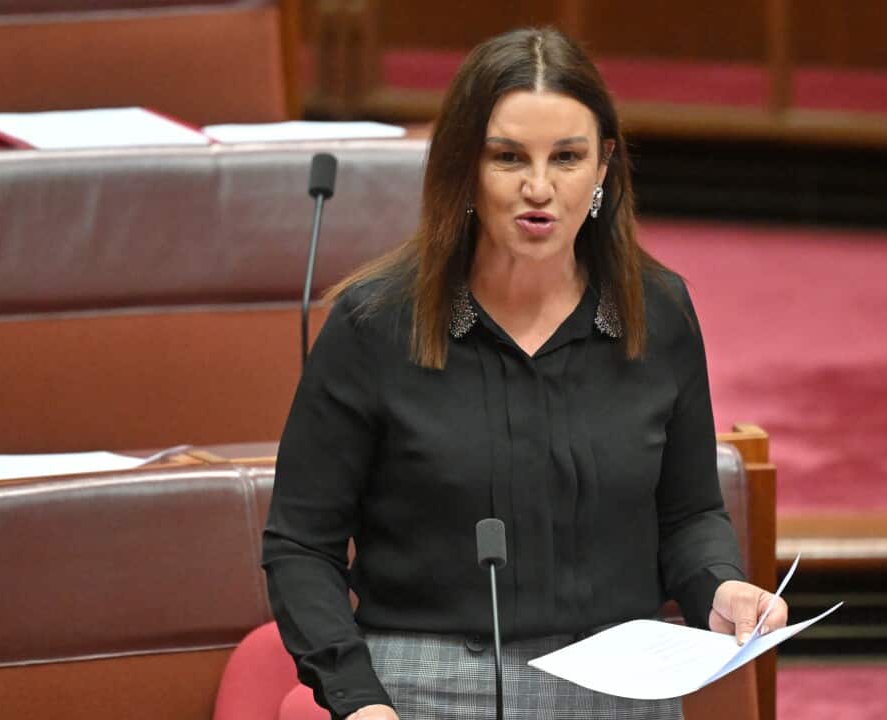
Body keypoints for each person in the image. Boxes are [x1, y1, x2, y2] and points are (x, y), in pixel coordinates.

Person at [261, 26, 788, 720]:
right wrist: (359, 702)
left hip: (620, 685)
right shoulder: (374, 324)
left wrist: (720, 588)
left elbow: (688, 515)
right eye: (508, 157)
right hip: (418, 689)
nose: (538, 187)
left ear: (604, 168)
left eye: (567, 158)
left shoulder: (659, 313)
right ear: (464, 169)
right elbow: (300, 546)